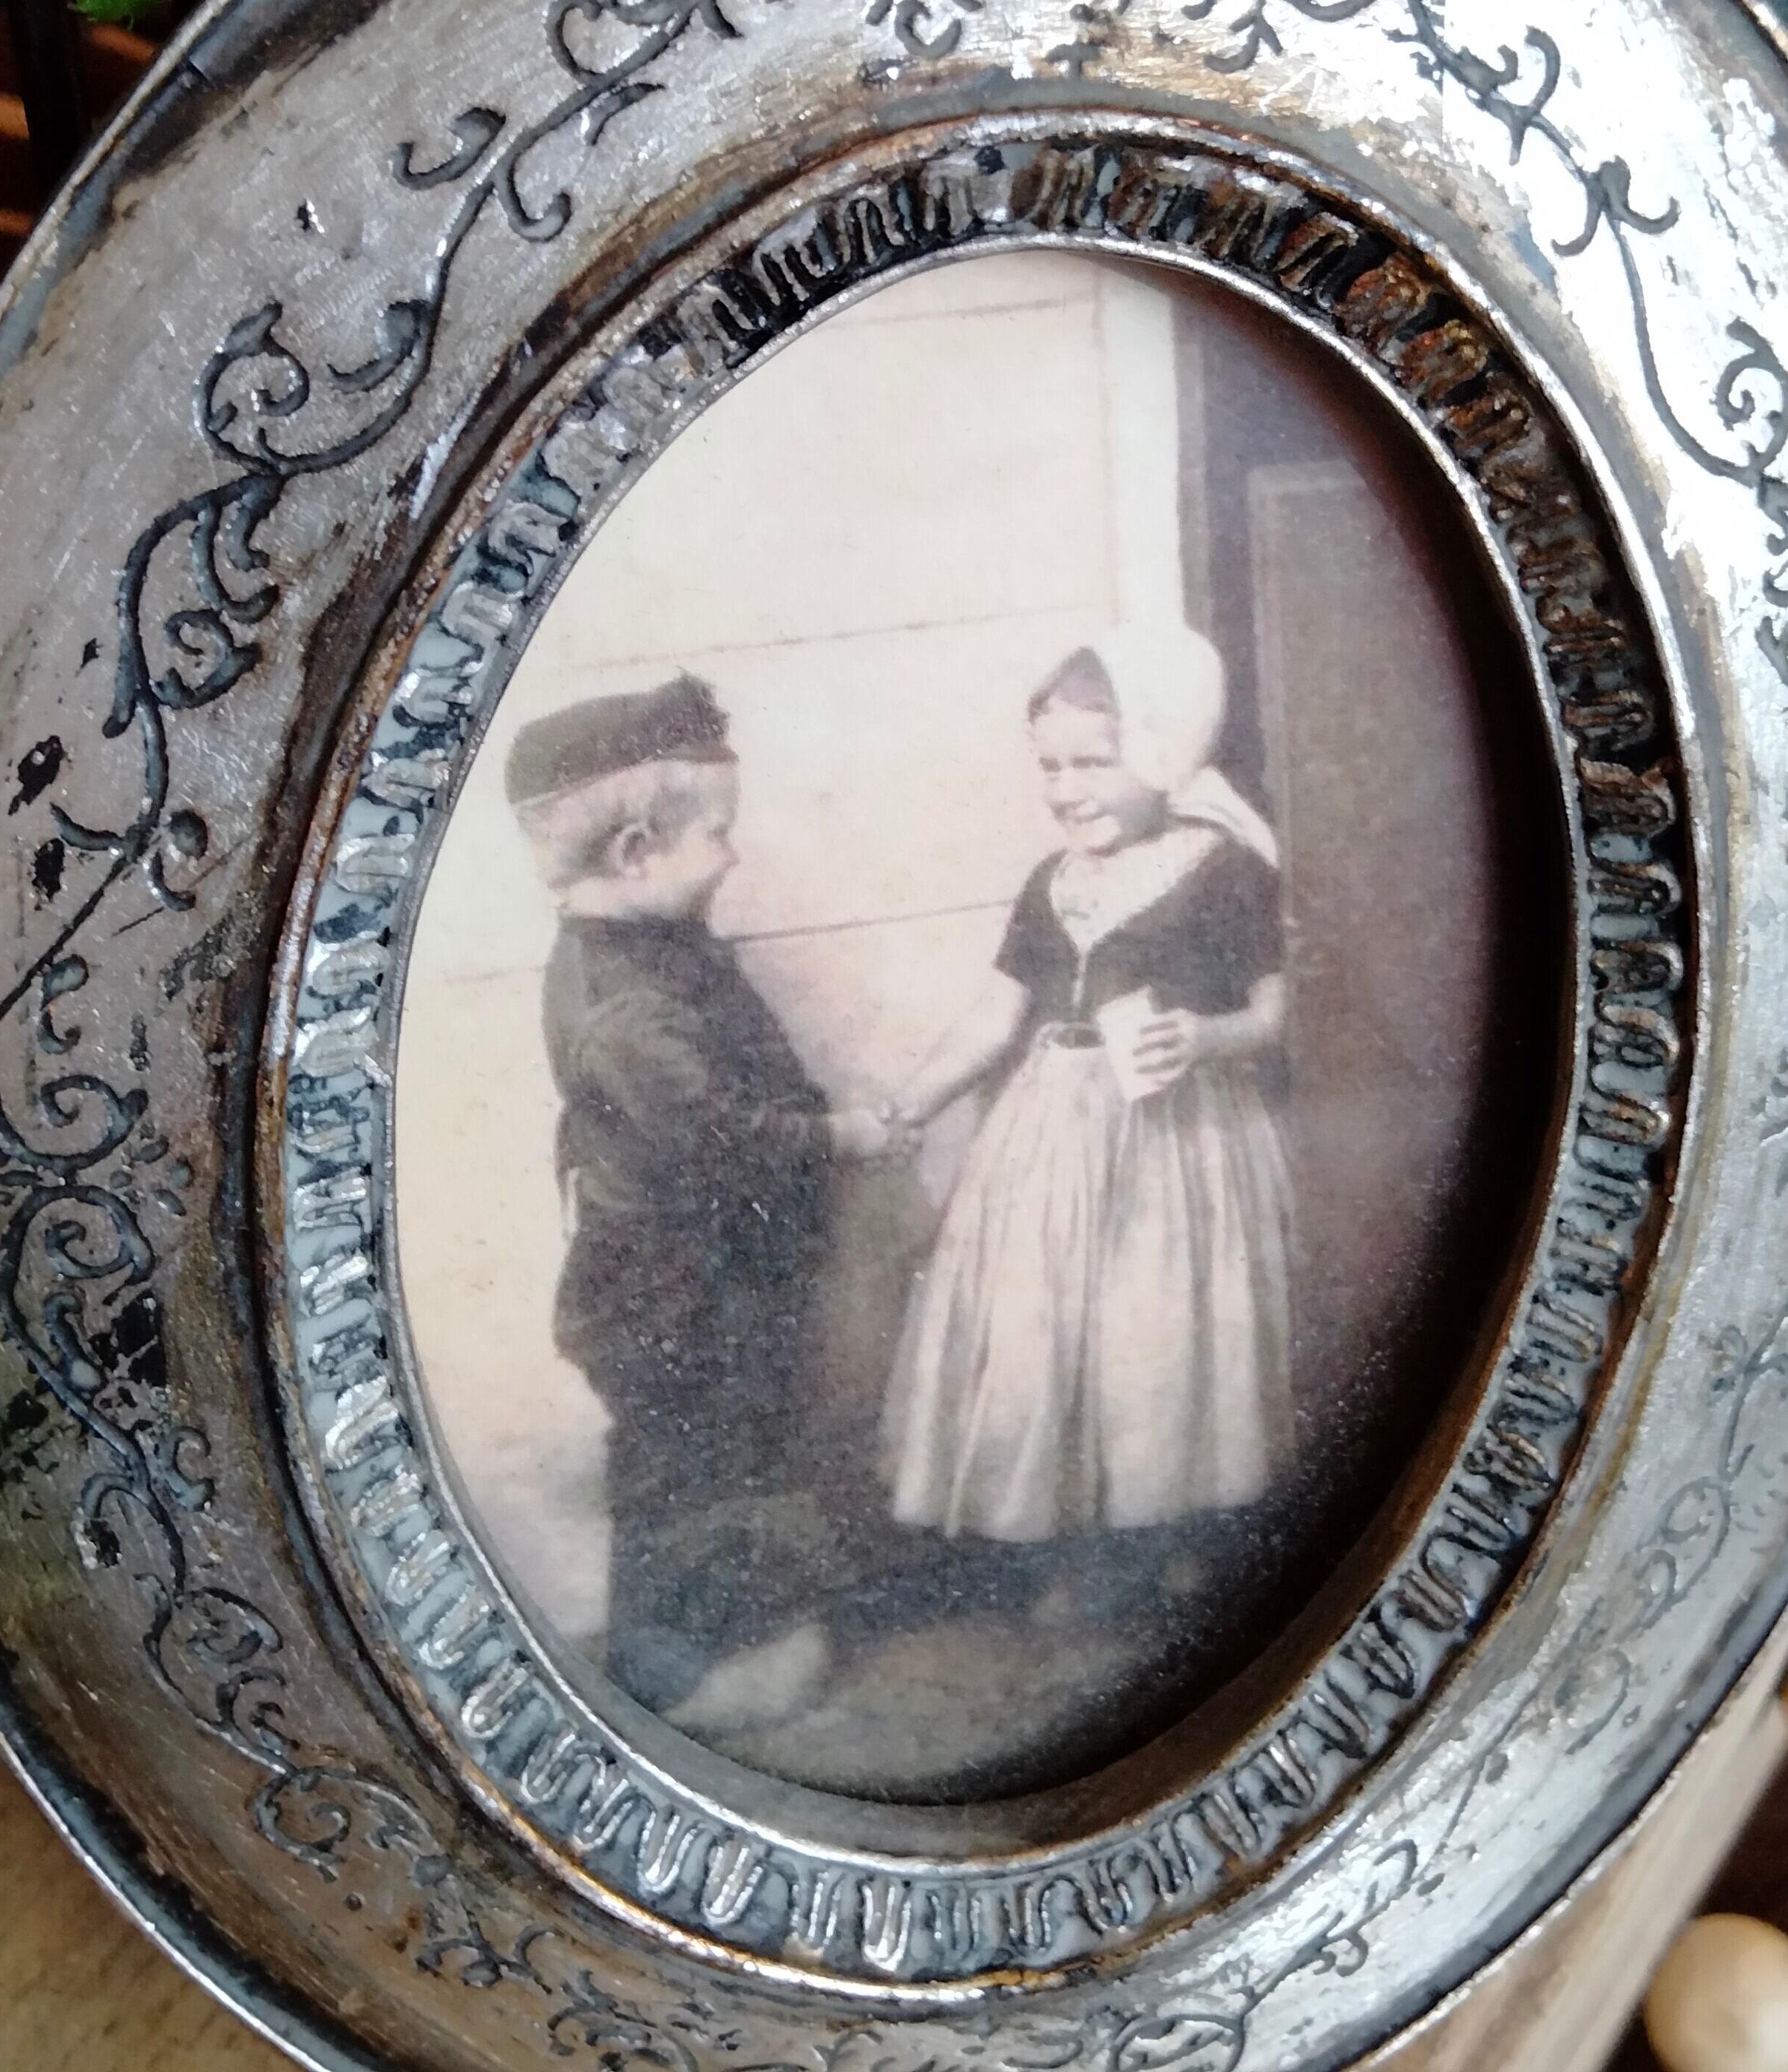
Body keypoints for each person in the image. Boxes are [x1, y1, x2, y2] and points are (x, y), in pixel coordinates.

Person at [878, 621, 1296, 1608]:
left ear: (1163, 747)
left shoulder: (1224, 870)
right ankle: (1060, 1538)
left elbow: (1275, 1015)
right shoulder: (1051, 883)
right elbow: (996, 1017)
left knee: (1151, 1334)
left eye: (1093, 762)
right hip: (1049, 1137)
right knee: (1042, 1326)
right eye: (1051, 766)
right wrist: (909, 1106)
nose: (1068, 790)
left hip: (1175, 1143)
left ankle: (1151, 1549)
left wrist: (1204, 1037)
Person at [508, 673, 886, 1727]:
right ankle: (668, 1674)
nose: (732, 857)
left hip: (703, 1283)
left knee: (727, 1457)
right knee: (680, 1475)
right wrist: (843, 1135)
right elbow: (727, 1141)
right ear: (635, 852)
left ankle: (730, 1636)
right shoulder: (626, 1007)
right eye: (717, 835)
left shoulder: (655, 947)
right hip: (668, 1296)